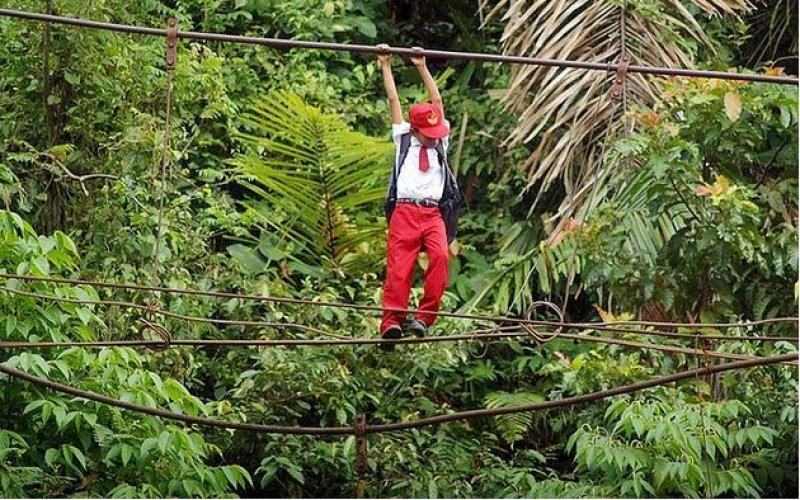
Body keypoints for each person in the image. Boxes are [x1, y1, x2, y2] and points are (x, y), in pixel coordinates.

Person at [376, 44, 461, 349]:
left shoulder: (441, 143)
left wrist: (421, 65)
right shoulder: (403, 140)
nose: (435, 136)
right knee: (399, 268)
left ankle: (425, 318)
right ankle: (391, 324)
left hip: (432, 214)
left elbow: (436, 101)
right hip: (405, 212)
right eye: (428, 133)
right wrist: (386, 64)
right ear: (415, 131)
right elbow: (393, 99)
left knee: (439, 257)